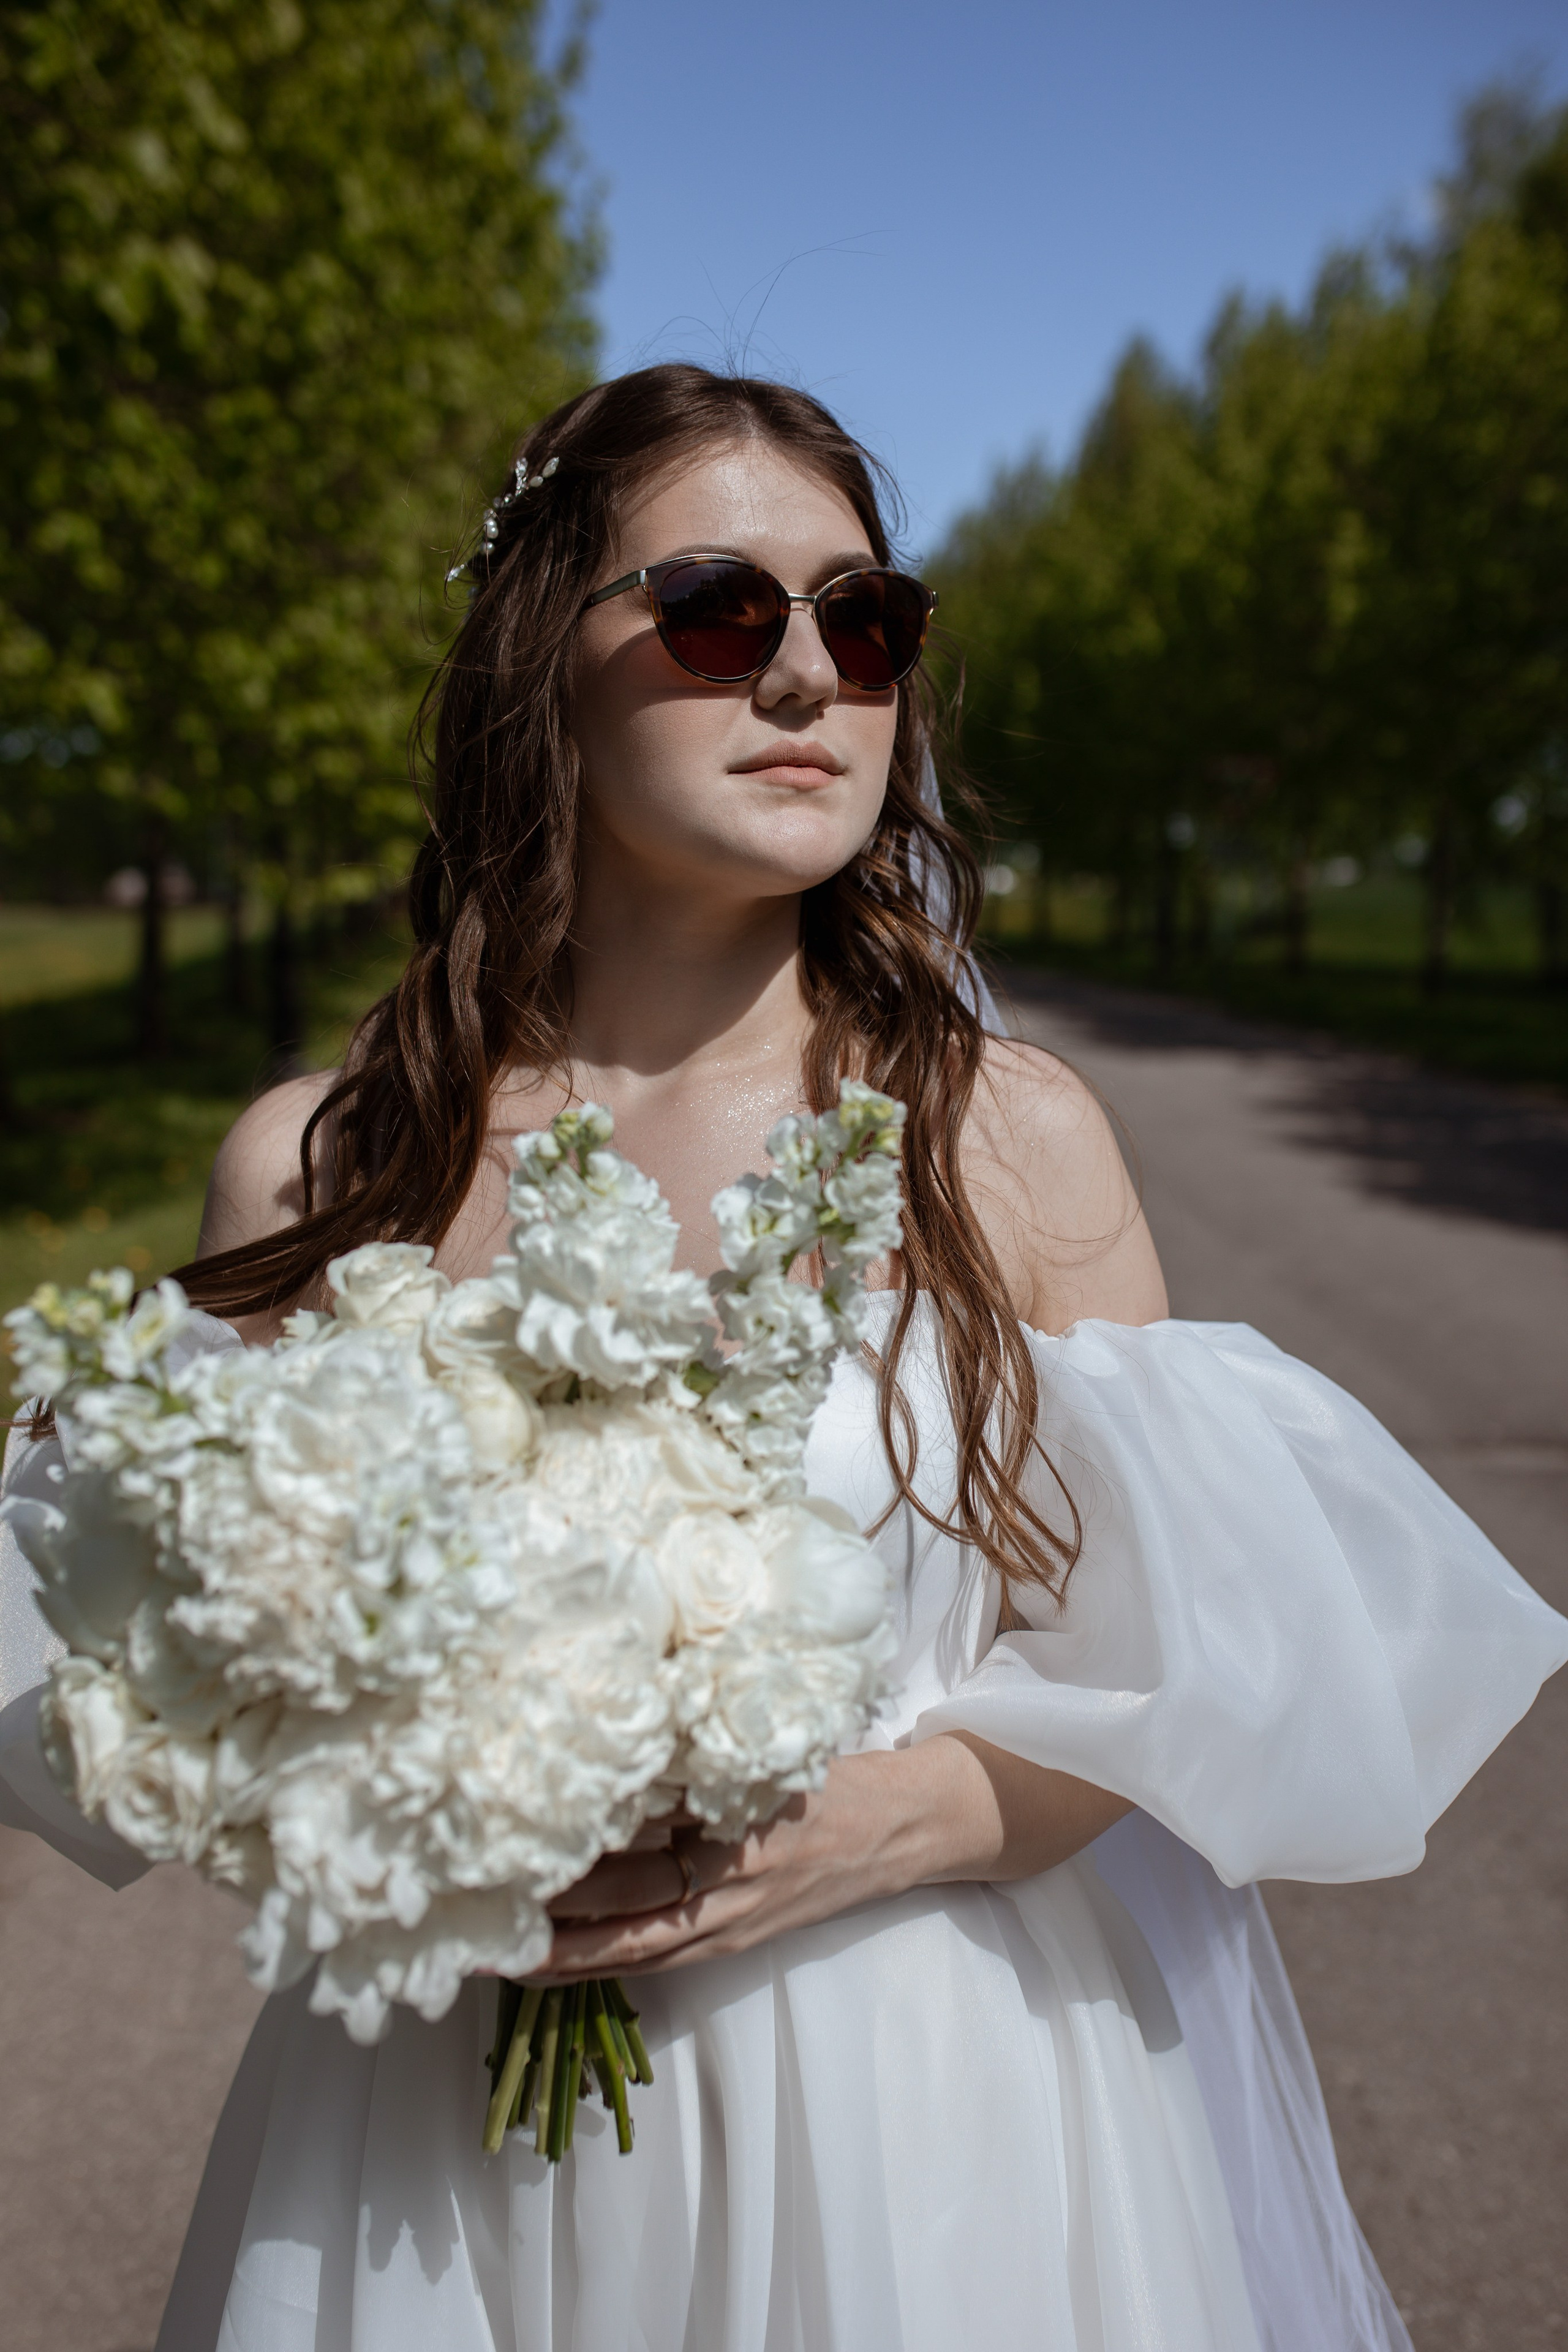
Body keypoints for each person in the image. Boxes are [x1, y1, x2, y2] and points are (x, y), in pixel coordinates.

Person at [2, 363, 1564, 2352]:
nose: (814, 674)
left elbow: (1178, 1686)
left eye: (870, 617)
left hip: (928, 2122)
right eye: (725, 608)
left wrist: (862, 1825)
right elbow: (170, 1684)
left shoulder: (1003, 1136)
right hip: (435, 2159)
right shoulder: (327, 1163)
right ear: (536, 665)